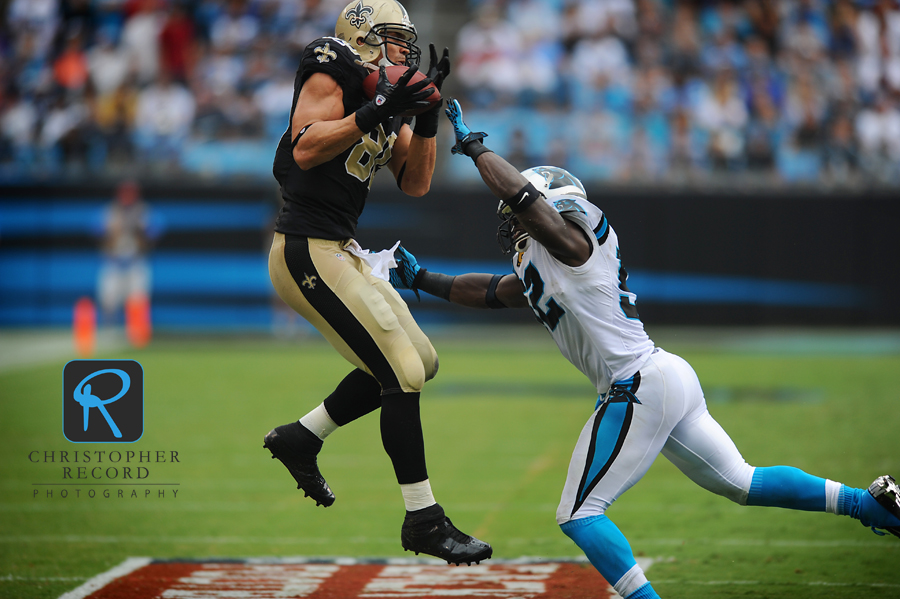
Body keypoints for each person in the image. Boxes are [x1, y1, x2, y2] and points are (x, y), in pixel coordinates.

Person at [385, 98, 900, 598]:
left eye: (518, 210)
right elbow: (493, 292)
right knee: (741, 482)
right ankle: (870, 506)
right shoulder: (546, 263)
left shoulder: (574, 242)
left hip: (636, 384)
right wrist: (423, 278)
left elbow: (525, 200)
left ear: (551, 205)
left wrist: (474, 147)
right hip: (662, 374)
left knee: (579, 513)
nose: (511, 222)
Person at [262, 0, 492, 566]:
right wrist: (381, 106)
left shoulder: (383, 98)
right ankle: (424, 519)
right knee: (402, 372)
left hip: (337, 249)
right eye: (393, 39)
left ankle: (303, 436)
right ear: (362, 37)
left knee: (422, 359)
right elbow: (305, 146)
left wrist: (425, 116)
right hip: (305, 248)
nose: (405, 52)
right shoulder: (329, 68)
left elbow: (416, 183)